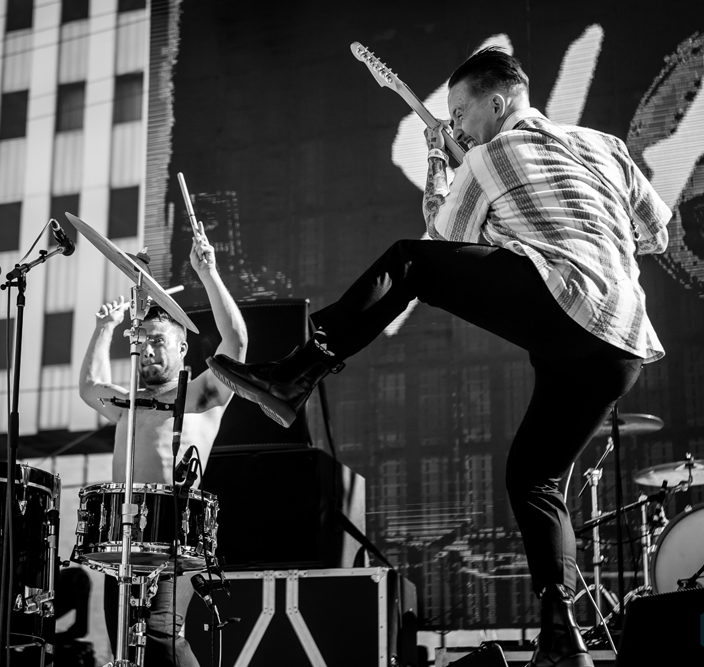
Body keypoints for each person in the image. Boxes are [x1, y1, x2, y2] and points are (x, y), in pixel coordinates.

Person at [208, 47, 670, 667]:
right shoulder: (604, 145)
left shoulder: (488, 157)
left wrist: (437, 161)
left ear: (497, 104)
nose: (456, 127)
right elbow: (657, 232)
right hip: (623, 343)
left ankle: (294, 373)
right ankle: (563, 639)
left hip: (568, 308)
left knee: (408, 262)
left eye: (460, 113)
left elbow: (442, 238)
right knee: (533, 476)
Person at [79, 221, 248, 667]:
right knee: (125, 645)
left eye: (157, 341)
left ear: (182, 350)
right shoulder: (128, 403)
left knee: (159, 633)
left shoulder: (200, 395)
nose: (148, 349)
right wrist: (106, 327)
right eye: (141, 341)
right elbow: (90, 386)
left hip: (174, 535)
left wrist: (208, 273)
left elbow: (236, 342)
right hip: (121, 536)